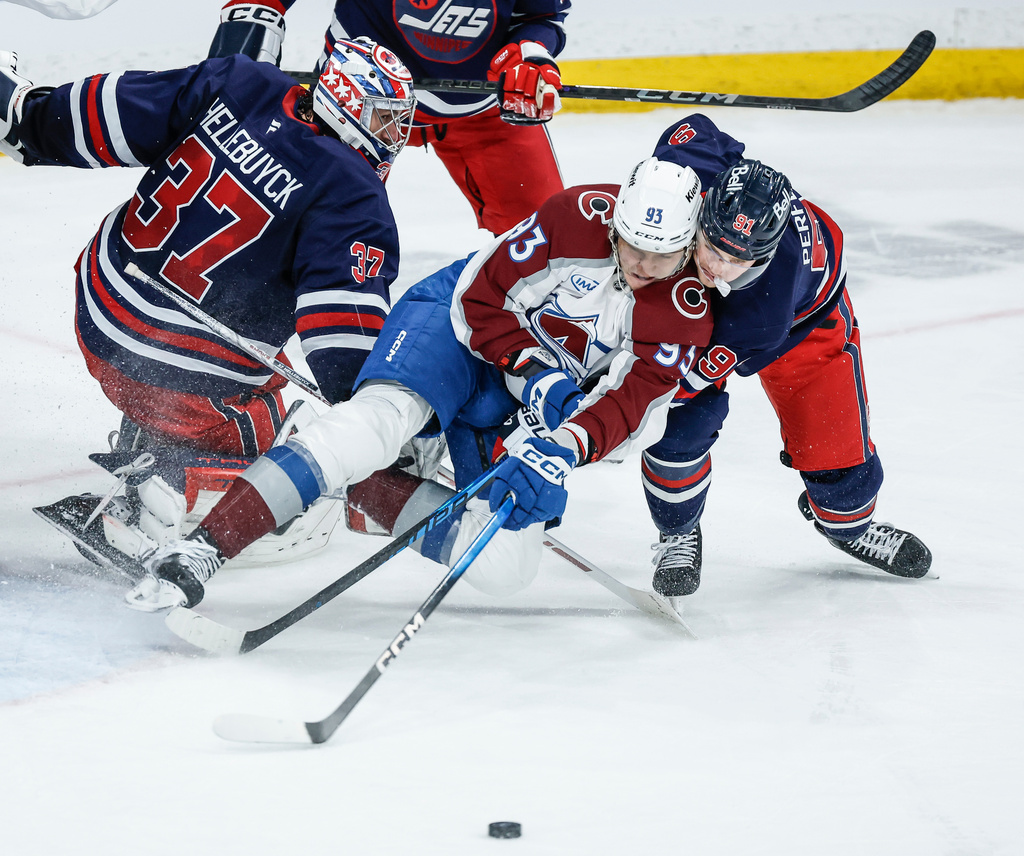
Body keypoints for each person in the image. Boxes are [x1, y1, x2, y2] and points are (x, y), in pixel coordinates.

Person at [123, 156, 715, 612]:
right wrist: (534, 369)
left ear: (688, 246)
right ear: (616, 220)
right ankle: (203, 551)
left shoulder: (686, 311)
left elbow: (632, 407)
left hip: (521, 403)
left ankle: (350, 486)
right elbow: (481, 301)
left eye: (660, 257)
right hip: (456, 328)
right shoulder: (574, 216)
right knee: (379, 422)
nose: (640, 265)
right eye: (632, 245)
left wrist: (559, 451)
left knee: (505, 569)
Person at [1, 40, 416, 559]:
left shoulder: (240, 82)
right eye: (383, 121)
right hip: (179, 377)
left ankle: (154, 447)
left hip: (101, 306)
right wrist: (385, 419)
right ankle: (162, 484)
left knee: (241, 359)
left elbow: (105, 115)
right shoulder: (354, 194)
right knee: (279, 446)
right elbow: (342, 350)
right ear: (345, 101)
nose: (393, 138)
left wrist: (27, 118)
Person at [637, 114, 932, 597]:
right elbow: (692, 128)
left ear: (764, 255)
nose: (714, 267)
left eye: (735, 260)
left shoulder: (761, 315)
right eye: (711, 246)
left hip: (804, 324)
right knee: (682, 429)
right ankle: (678, 532)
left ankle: (848, 528)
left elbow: (677, 384)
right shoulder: (693, 175)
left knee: (834, 458)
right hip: (739, 275)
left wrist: (615, 407)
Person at [206, 0, 568, 234]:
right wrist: (248, 36)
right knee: (288, 228)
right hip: (356, 102)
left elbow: (541, 15)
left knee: (548, 242)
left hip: (485, 112)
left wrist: (531, 52)